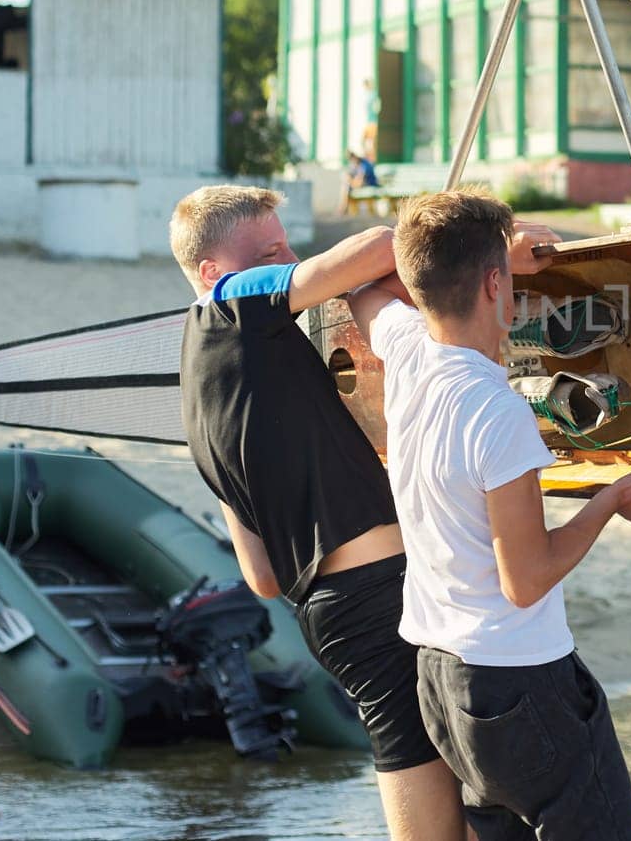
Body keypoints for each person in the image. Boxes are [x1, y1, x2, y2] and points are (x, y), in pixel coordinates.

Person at [170, 185, 560, 841]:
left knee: (433, 775)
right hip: (377, 596)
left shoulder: (202, 387)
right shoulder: (228, 306)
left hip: (332, 613)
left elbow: (263, 577)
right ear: (213, 274)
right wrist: (493, 246)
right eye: (271, 252)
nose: (291, 259)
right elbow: (382, 247)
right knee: (441, 793)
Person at [348, 190, 631, 840]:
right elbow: (527, 577)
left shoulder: (408, 354)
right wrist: (610, 501)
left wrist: (480, 252)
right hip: (518, 684)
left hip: (439, 683)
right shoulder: (499, 413)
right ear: (498, 283)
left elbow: (364, 292)